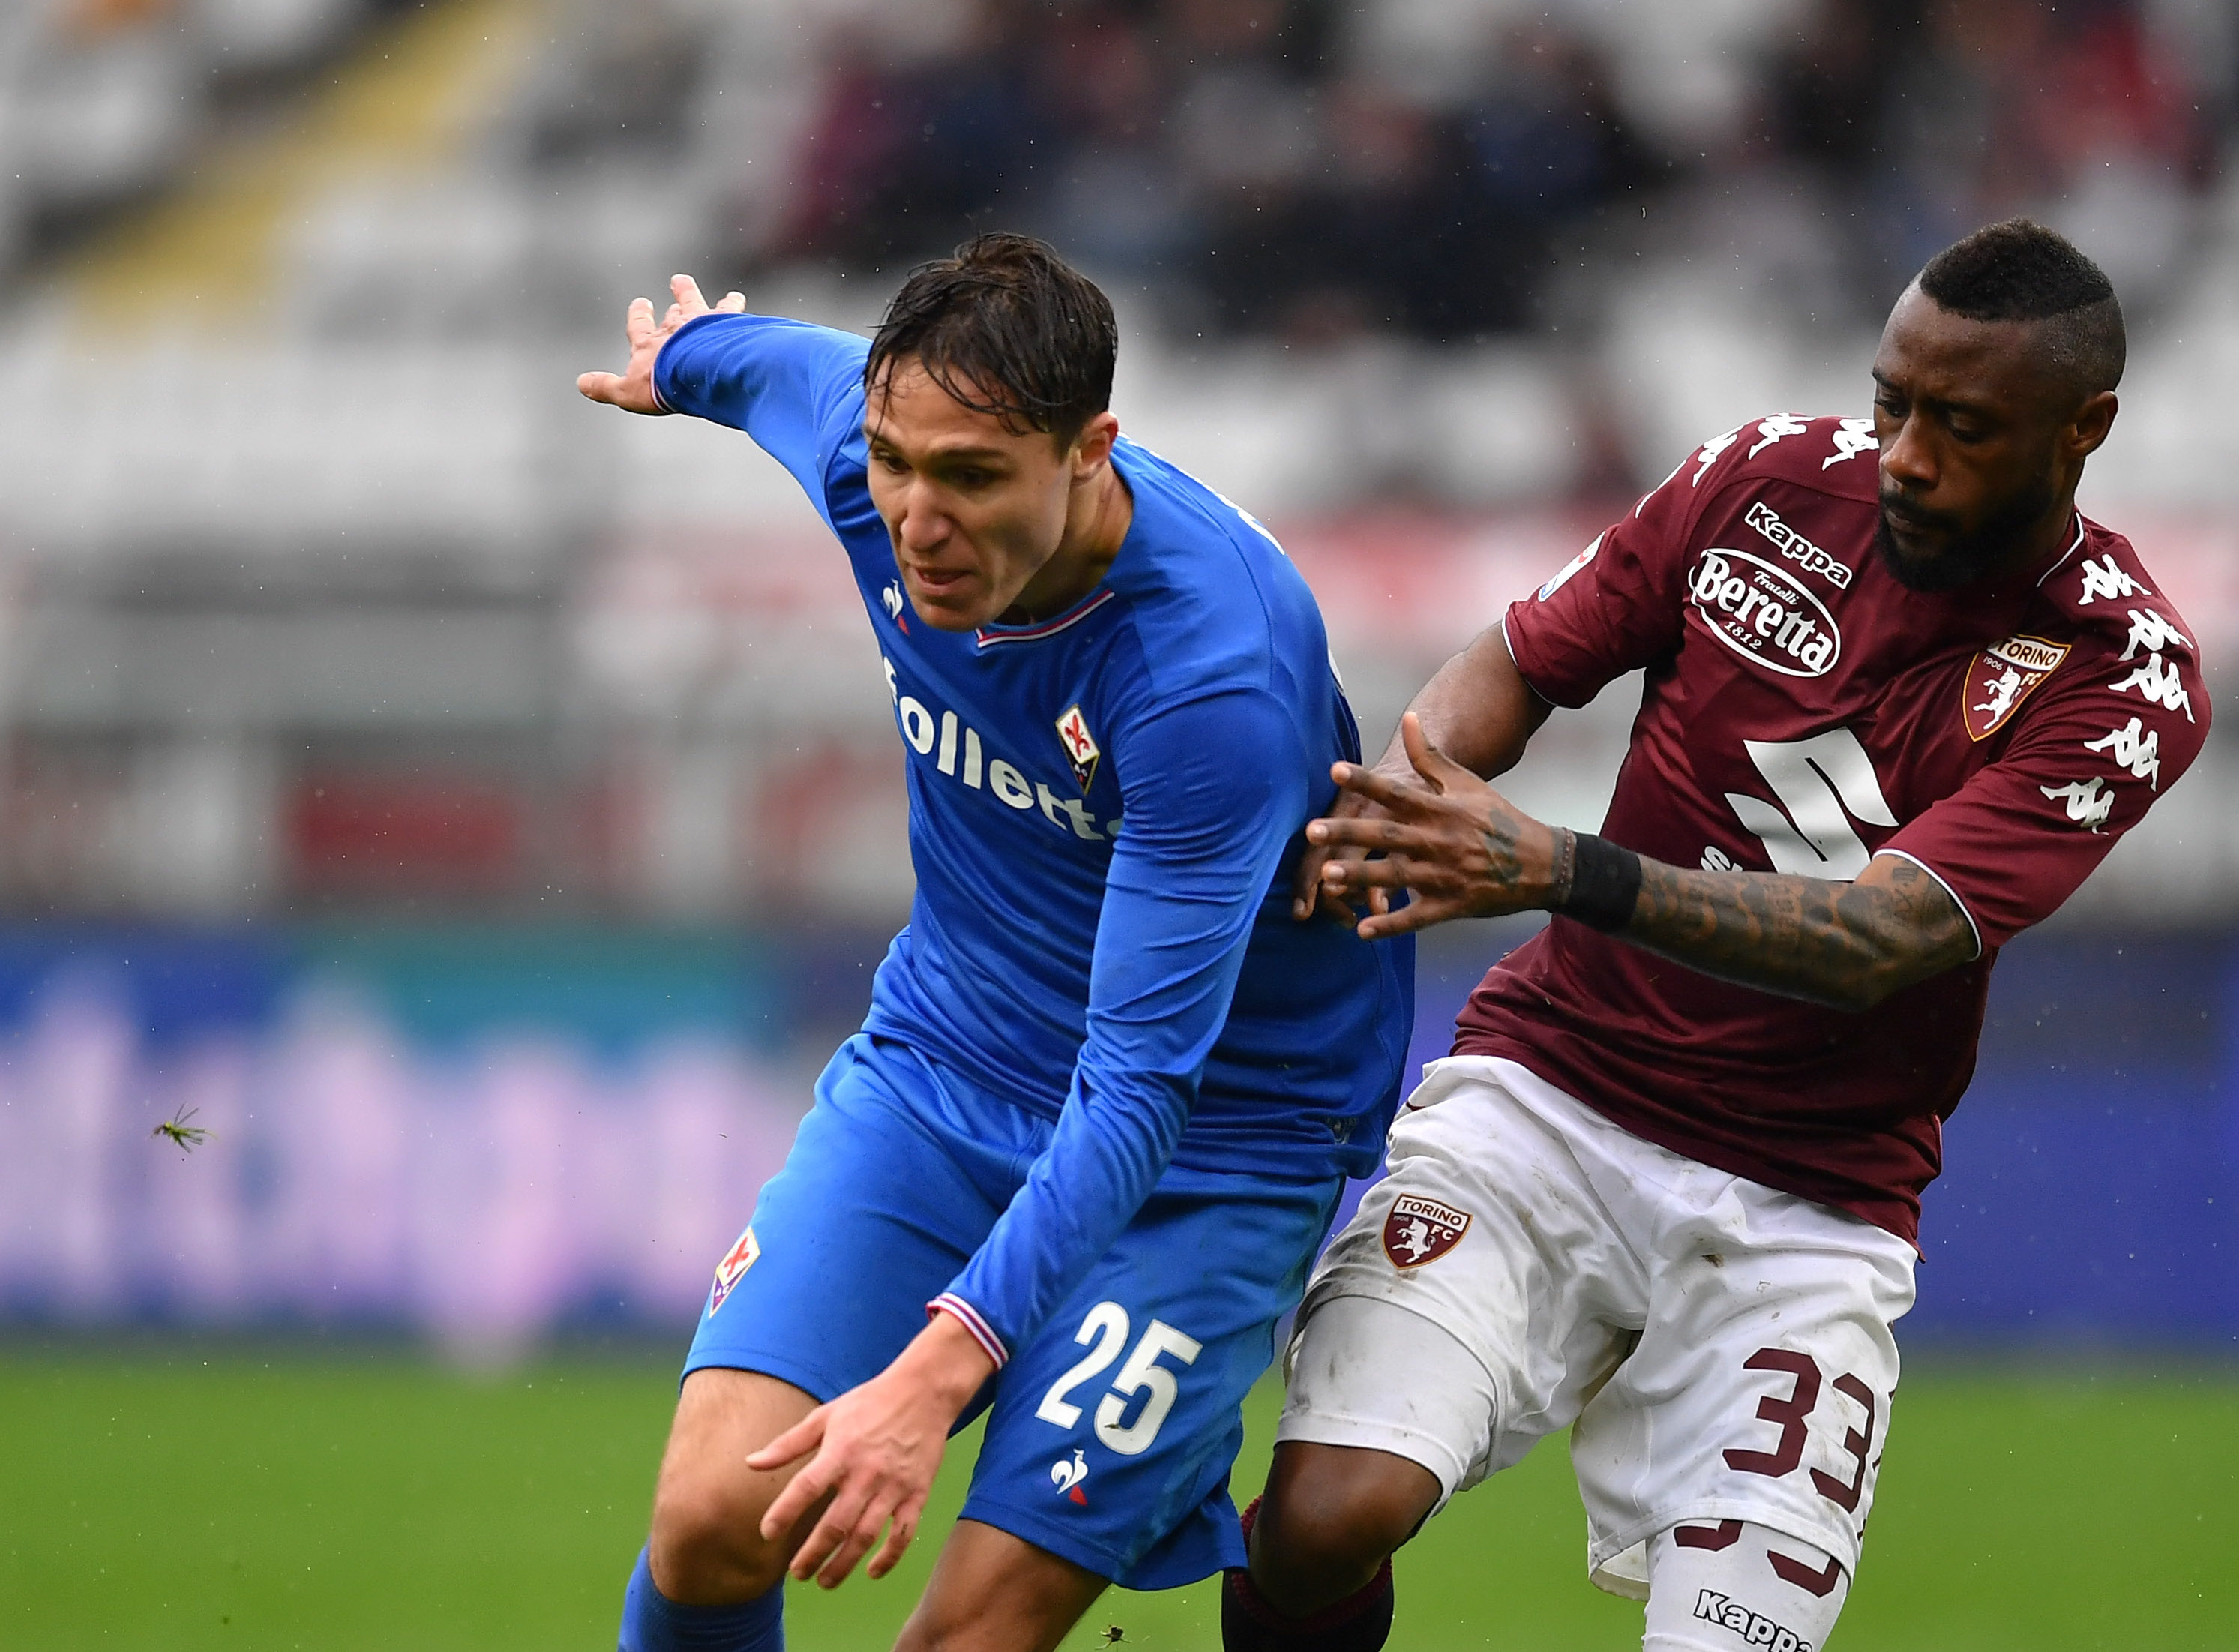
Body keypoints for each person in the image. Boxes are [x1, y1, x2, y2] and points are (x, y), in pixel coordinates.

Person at [1222, 218, 2209, 1652]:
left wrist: (1556, 868)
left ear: (2083, 429)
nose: (1905, 455)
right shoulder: (1762, 479)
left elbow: (1880, 938)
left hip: (1808, 1206)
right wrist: (1407, 802)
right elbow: (1518, 660)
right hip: (1548, 1099)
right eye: (1891, 402)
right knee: (1320, 1522)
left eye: (1961, 425)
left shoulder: (2121, 673)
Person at [577, 232, 1413, 1652]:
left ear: (1090, 452)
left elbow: (1139, 1086)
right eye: (895, 464)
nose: (917, 519)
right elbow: (768, 368)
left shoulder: (1207, 679)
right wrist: (685, 361)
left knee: (966, 1638)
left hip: (1212, 1145)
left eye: (970, 478)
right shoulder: (875, 460)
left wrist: (930, 1376)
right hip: (944, 1070)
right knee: (713, 1517)